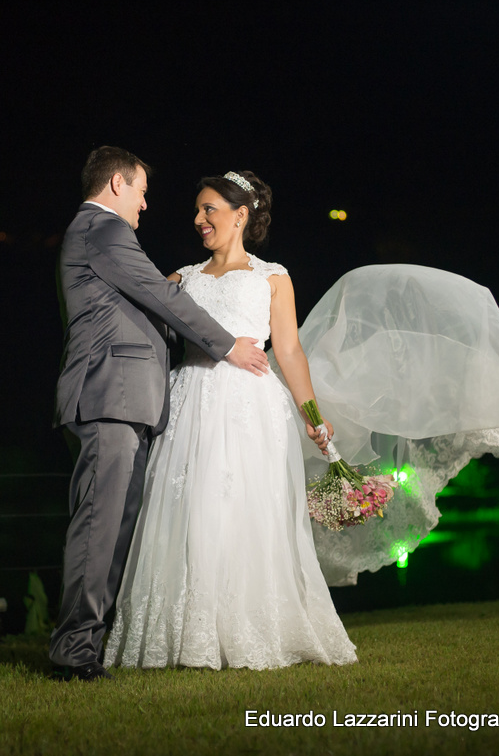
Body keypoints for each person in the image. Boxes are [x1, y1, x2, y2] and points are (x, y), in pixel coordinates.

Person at [104, 170, 358, 670]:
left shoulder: (273, 277)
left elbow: (288, 350)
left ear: (241, 215)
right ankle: (184, 637)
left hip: (251, 409)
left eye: (210, 210)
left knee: (247, 513)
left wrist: (313, 416)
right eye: (198, 211)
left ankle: (256, 629)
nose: (199, 220)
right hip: (190, 401)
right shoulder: (181, 278)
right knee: (190, 510)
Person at [49, 148, 280, 682]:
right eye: (140, 191)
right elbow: (157, 292)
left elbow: (148, 300)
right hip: (106, 395)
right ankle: (73, 652)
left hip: (124, 399)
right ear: (114, 185)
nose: (146, 204)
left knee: (116, 525)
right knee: (99, 526)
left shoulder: (103, 235)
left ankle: (88, 644)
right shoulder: (103, 231)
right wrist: (227, 347)